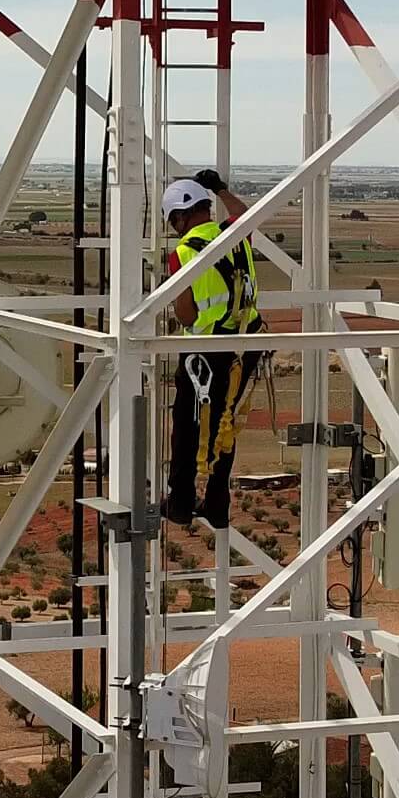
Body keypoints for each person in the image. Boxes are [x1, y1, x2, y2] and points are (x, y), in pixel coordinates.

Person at [162, 170, 260, 529]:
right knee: (225, 424)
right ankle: (217, 504)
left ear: (179, 217)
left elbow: (188, 316)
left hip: (204, 353)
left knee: (188, 428)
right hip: (245, 345)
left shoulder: (183, 253)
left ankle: (180, 502)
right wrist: (220, 188)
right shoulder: (234, 234)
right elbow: (246, 213)